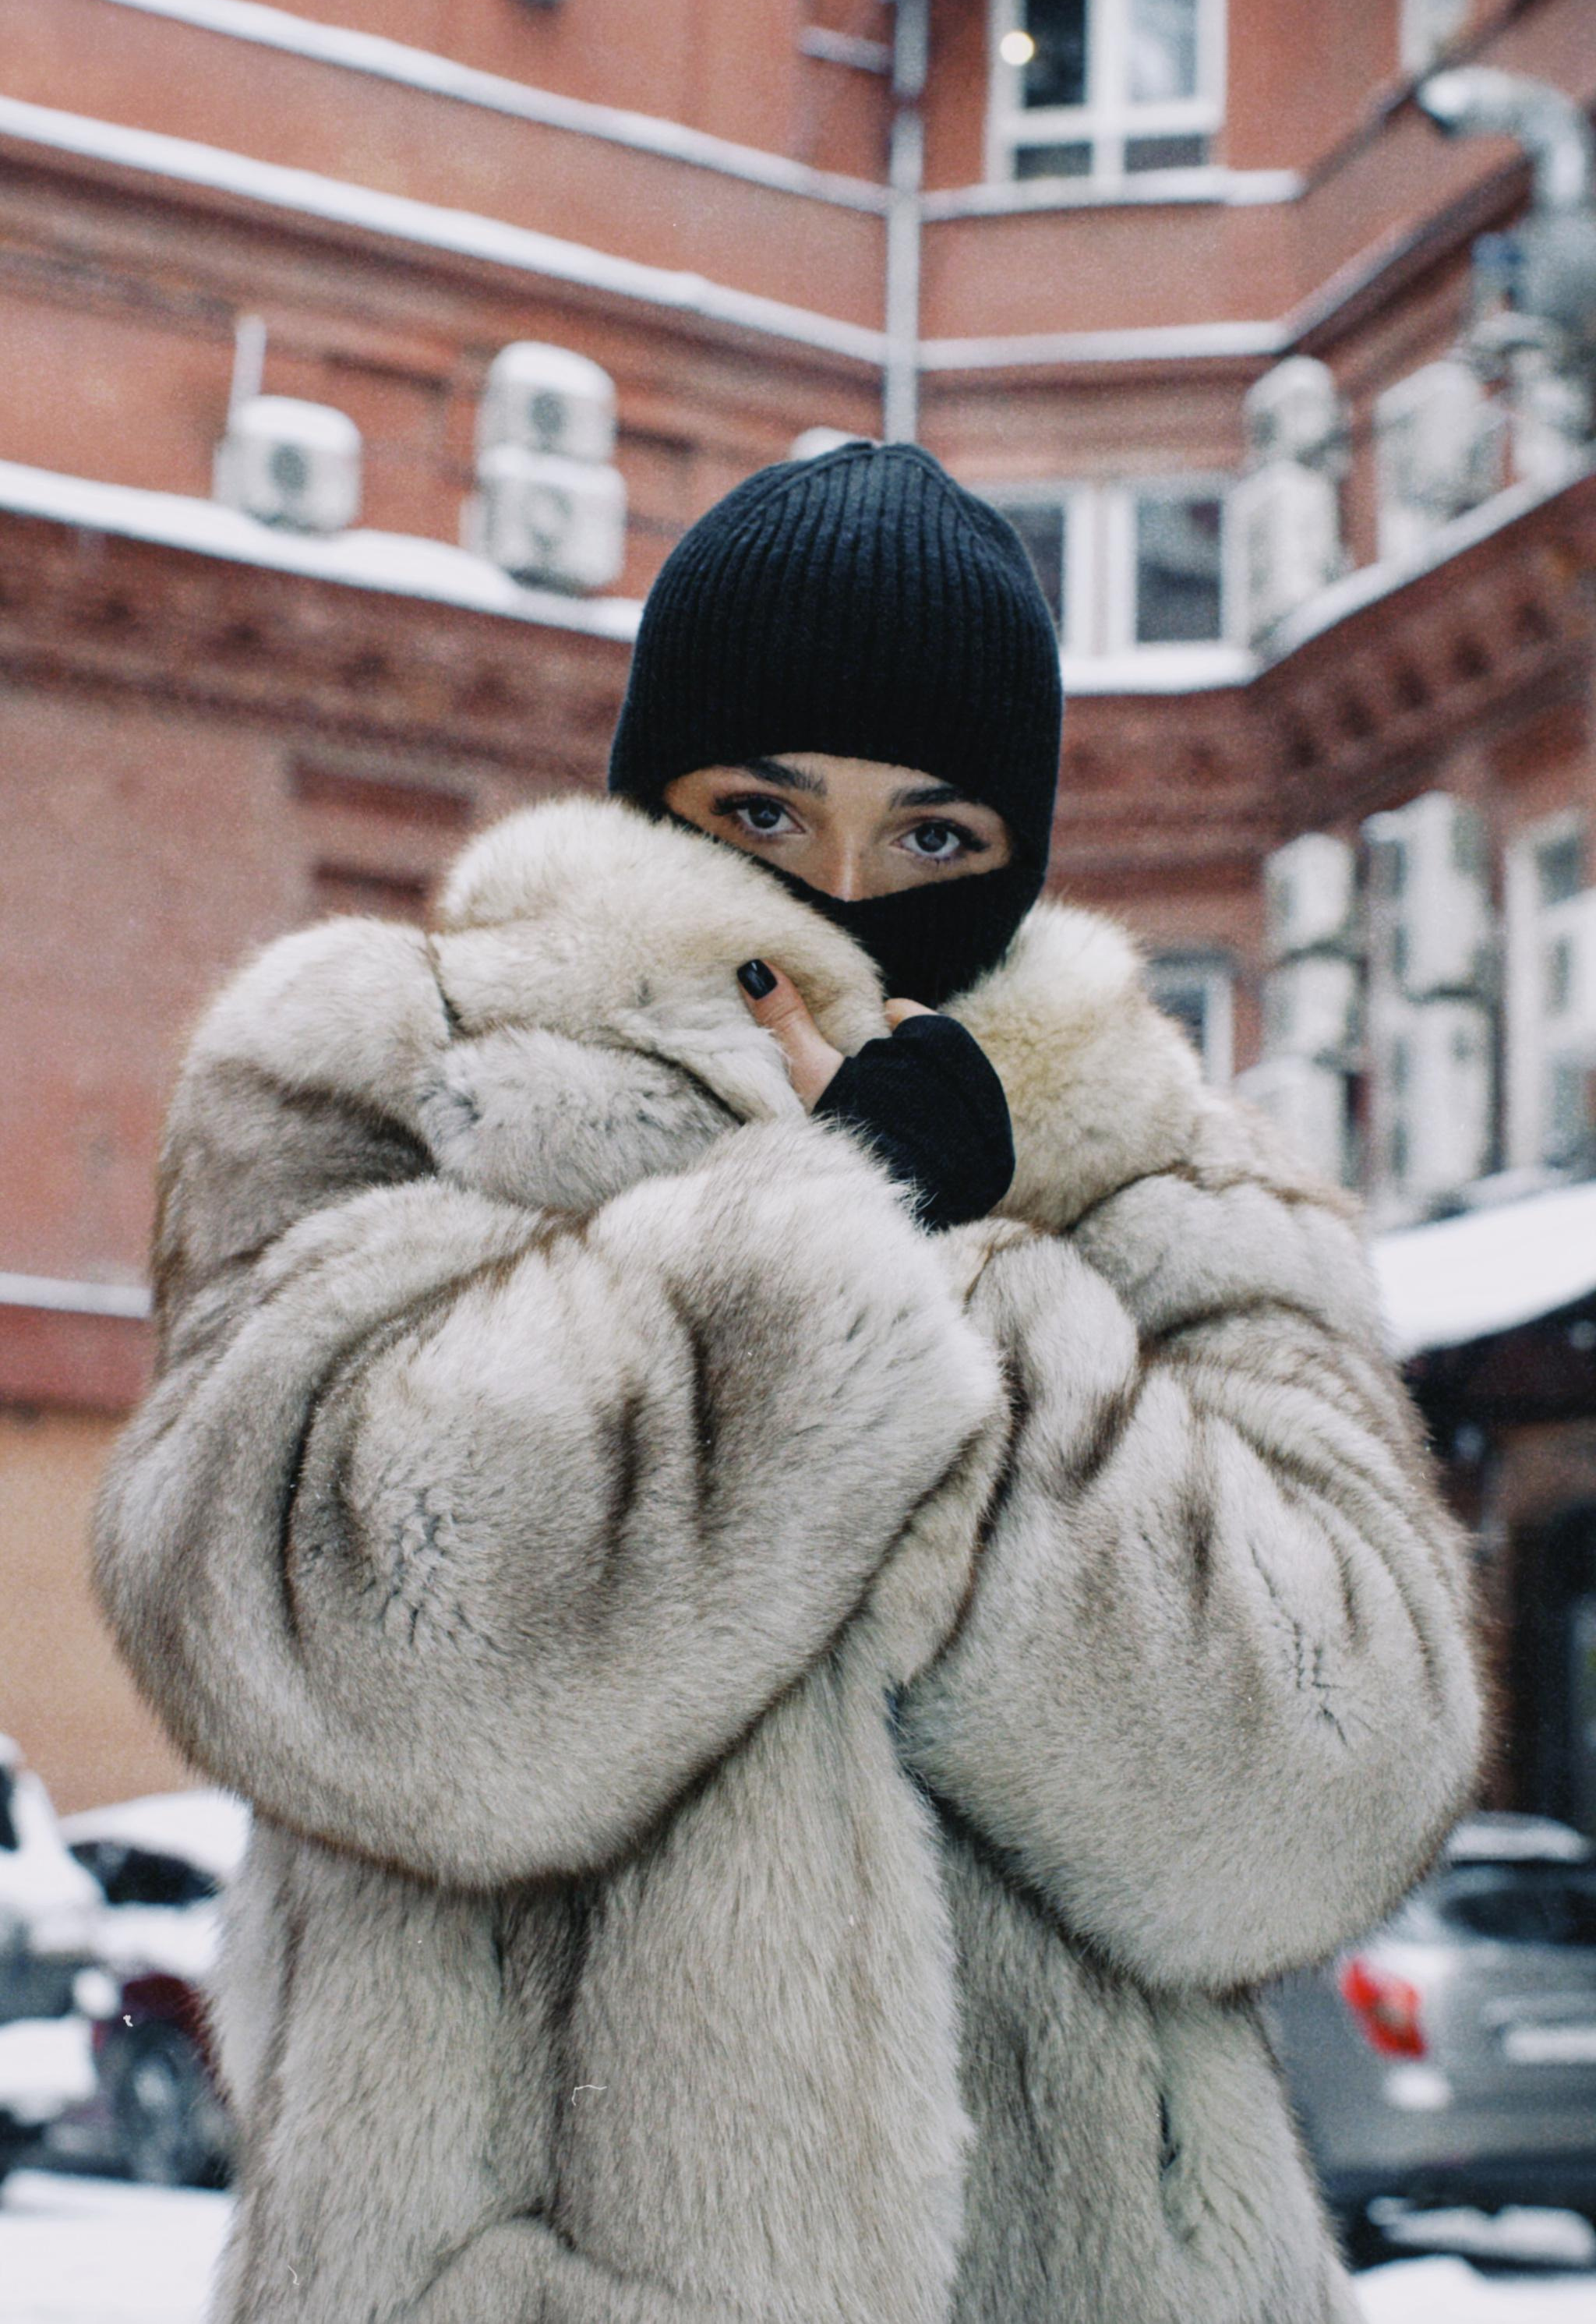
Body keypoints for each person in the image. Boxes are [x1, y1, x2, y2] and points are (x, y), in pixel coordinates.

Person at [94, 443, 1481, 2324]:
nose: (840, 895)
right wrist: (826, 1252)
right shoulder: (390, 1077)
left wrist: (985, 1318)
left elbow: (1329, 1793)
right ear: (653, 796)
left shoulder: (1179, 1198)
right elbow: (346, 1637)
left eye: (931, 840)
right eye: (763, 809)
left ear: (1019, 854)